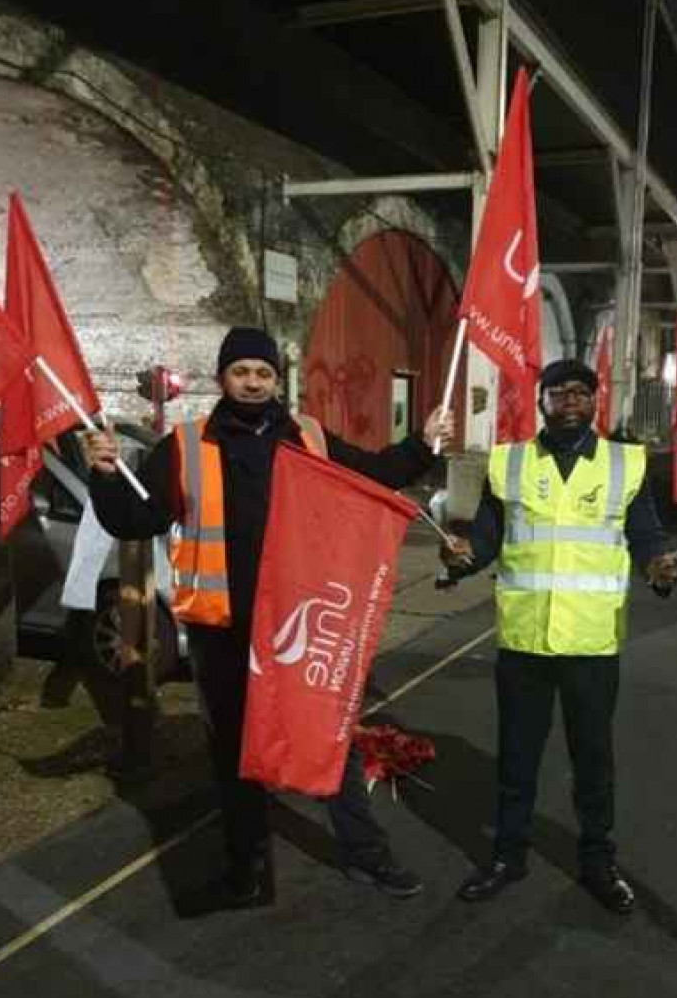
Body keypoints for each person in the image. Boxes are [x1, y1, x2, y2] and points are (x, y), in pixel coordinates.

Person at [85, 326, 454, 908]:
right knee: (235, 755)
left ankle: (367, 855)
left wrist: (422, 445)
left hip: (298, 621)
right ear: (222, 379)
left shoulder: (305, 435)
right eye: (241, 372)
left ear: (277, 380)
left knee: (332, 742)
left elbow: (370, 476)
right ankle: (246, 872)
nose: (252, 383)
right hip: (223, 630)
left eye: (263, 373)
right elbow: (138, 518)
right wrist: (104, 476)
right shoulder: (185, 445)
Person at [440, 358, 677, 915]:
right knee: (517, 759)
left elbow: (643, 534)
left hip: (591, 644)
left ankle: (598, 862)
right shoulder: (512, 463)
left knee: (593, 760)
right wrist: (461, 558)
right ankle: (507, 856)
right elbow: (487, 535)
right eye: (558, 393)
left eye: (580, 392)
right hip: (524, 639)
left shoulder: (625, 464)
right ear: (542, 400)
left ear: (594, 401)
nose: (570, 401)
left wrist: (658, 566)